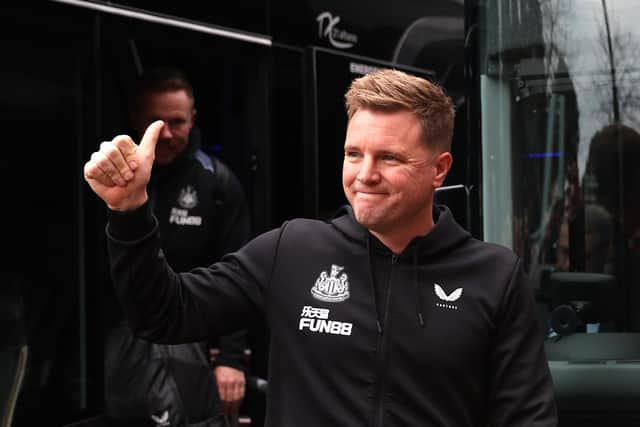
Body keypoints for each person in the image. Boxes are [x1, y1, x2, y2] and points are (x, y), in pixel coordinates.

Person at [85, 69, 557, 426]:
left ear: (440, 168)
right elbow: (161, 314)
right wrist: (129, 210)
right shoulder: (293, 249)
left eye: (389, 157)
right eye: (354, 154)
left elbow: (526, 418)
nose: (364, 174)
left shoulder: (494, 275)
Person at [102, 67, 251, 426]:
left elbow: (239, 273)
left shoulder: (216, 183)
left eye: (177, 122)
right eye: (156, 121)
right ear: (136, 118)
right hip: (119, 338)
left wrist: (231, 359)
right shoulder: (109, 177)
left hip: (190, 341)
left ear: (193, 119)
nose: (167, 133)